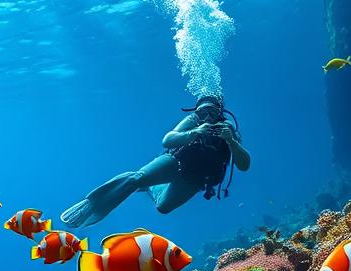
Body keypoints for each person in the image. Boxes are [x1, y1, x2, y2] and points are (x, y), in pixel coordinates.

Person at [60, 94, 251, 228]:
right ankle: (94, 203)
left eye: (212, 112)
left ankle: (150, 185)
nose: (207, 117)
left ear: (220, 112)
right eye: (203, 112)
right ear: (197, 111)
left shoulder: (228, 129)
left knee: (163, 207)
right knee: (136, 179)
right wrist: (194, 132)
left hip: (195, 180)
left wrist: (231, 142)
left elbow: (244, 165)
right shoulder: (193, 121)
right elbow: (167, 140)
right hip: (174, 162)